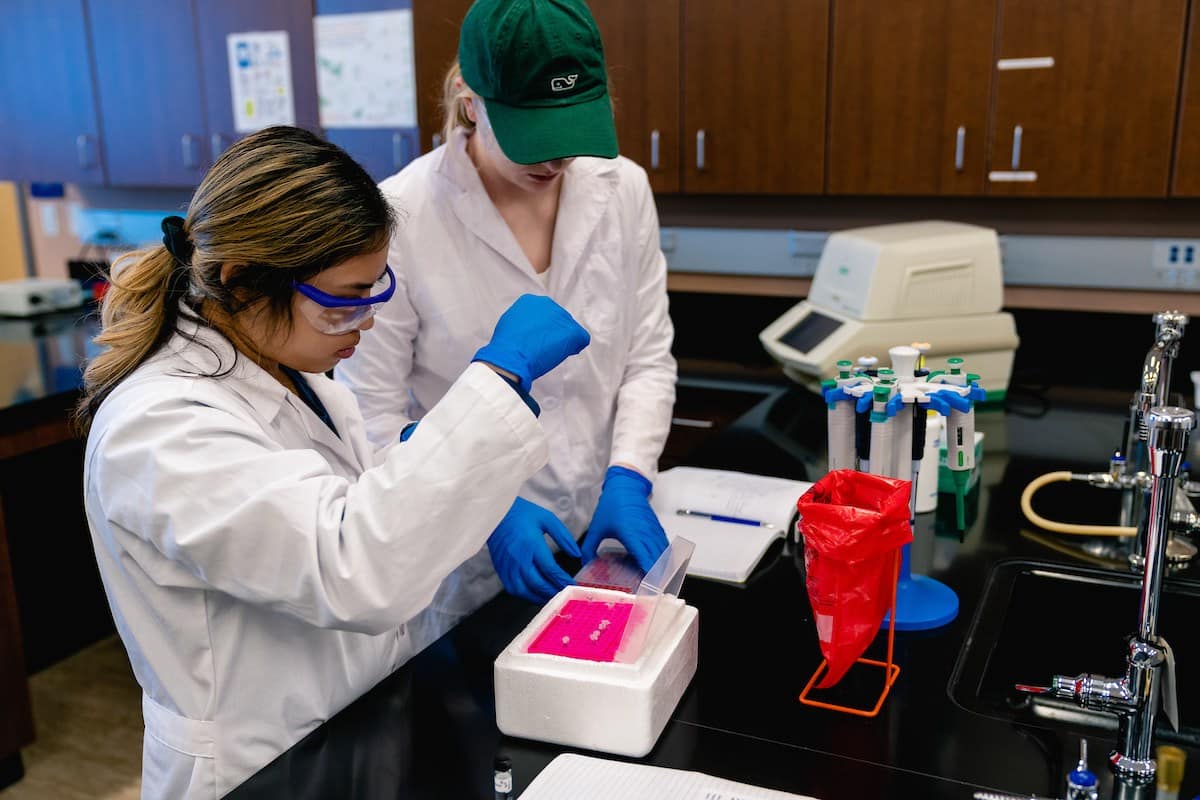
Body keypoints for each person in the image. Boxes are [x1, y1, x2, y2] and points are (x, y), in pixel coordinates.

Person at [78, 126, 589, 799]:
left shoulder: (291, 370)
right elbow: (352, 568)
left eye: (374, 290)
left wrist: (466, 484)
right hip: (257, 766)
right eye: (344, 299)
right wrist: (498, 376)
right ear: (240, 282)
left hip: (353, 729)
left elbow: (351, 487)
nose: (366, 321)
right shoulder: (159, 429)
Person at [336, 0, 677, 632]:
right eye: (533, 138)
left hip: (600, 545)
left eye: (570, 134)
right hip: (462, 566)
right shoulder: (401, 216)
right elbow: (372, 420)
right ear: (472, 103)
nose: (554, 161)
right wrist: (484, 510)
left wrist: (629, 476)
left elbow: (647, 359)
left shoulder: (622, 188)